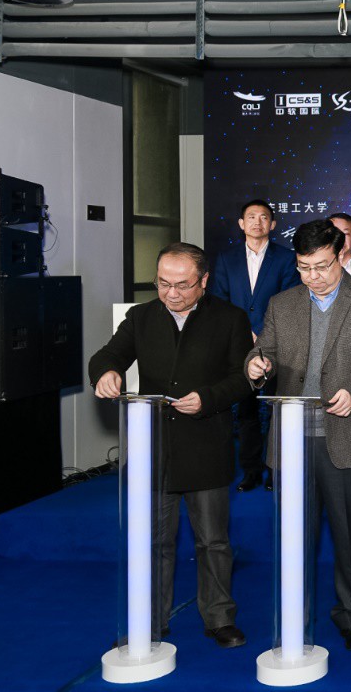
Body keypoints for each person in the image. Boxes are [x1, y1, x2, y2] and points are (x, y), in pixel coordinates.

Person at [89, 242, 253, 648]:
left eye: (182, 285)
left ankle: (219, 618)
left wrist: (209, 398)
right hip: (154, 447)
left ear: (204, 281)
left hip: (206, 444)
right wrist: (106, 373)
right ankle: (150, 621)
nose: (172, 293)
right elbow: (107, 355)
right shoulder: (141, 317)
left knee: (213, 541)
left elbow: (243, 378)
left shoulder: (230, 318)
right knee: (153, 541)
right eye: (163, 283)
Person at [245, 219, 351, 652]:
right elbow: (263, 351)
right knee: (294, 534)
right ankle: (295, 613)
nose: (313, 276)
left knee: (350, 534)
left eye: (322, 266)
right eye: (304, 267)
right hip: (291, 437)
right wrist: (256, 366)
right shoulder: (282, 303)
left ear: (341, 256)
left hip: (348, 433)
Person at [210, 199, 300, 492]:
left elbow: (290, 300)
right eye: (251, 217)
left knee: (277, 410)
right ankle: (251, 470)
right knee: (246, 412)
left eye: (263, 217)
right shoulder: (226, 259)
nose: (257, 222)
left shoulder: (287, 258)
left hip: (277, 346)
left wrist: (263, 335)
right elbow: (219, 299)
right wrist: (242, 333)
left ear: (272, 224)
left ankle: (275, 469)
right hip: (237, 347)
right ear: (241, 223)